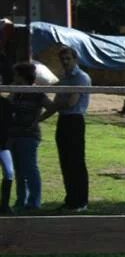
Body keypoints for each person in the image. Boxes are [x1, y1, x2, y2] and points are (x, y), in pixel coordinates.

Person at [41, 44, 91, 212]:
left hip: (75, 121)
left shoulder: (81, 78)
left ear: (75, 59)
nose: (65, 61)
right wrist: (38, 119)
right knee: (65, 162)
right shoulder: (64, 78)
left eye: (68, 58)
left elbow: (71, 103)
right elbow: (57, 104)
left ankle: (81, 201)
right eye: (62, 59)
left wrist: (60, 102)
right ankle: (70, 200)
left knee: (76, 162)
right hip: (63, 121)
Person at [8, 62, 52, 212]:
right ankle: (21, 200)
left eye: (16, 75)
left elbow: (51, 107)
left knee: (30, 169)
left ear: (22, 76)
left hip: (29, 135)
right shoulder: (16, 92)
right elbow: (6, 106)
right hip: (13, 135)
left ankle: (34, 202)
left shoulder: (37, 93)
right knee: (19, 170)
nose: (14, 77)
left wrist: (37, 120)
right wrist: (13, 92)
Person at [0, 65, 13, 214]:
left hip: (3, 145)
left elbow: (10, 125)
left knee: (9, 173)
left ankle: (4, 205)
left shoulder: (5, 104)